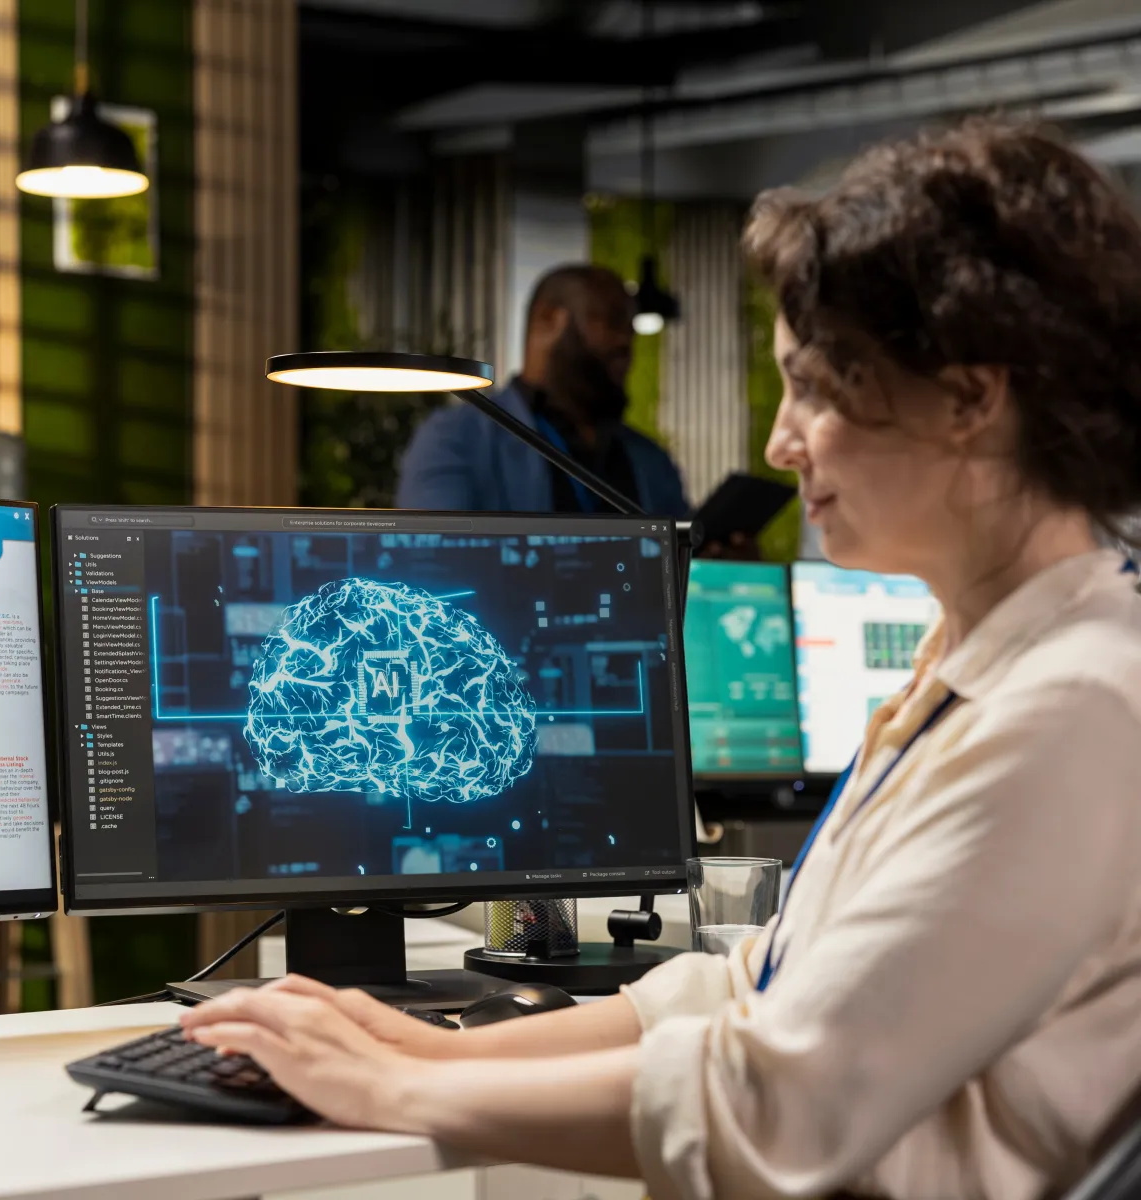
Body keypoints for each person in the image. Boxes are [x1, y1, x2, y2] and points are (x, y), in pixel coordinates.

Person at [181, 120, 1141, 1199]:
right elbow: (761, 984)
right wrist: (419, 1047)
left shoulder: (1073, 712)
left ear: (970, 397)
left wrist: (383, 1089)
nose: (780, 444)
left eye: (818, 388)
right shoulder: (985, 657)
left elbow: (773, 1104)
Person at [395, 264, 689, 516]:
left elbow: (682, 565)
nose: (626, 340)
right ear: (549, 320)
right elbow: (431, 558)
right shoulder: (455, 439)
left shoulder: (650, 459)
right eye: (611, 320)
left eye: (630, 327)